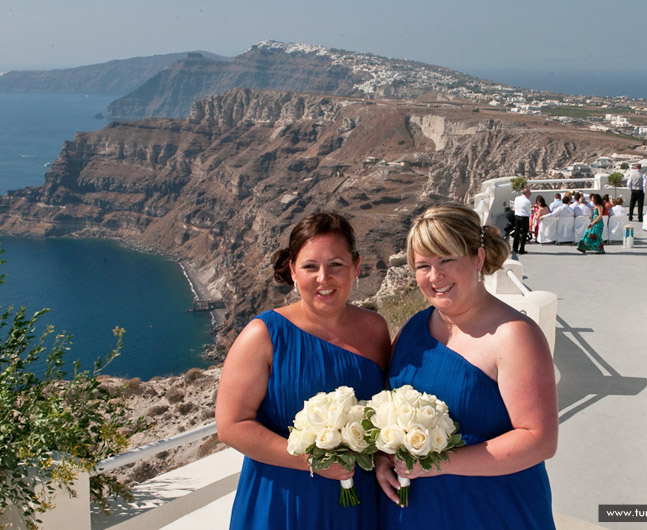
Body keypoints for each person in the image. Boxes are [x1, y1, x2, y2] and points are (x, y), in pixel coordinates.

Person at [376, 204, 558, 530]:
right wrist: (382, 456)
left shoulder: (514, 336)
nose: (435, 276)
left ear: (478, 257)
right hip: (415, 510)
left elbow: (539, 439)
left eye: (446, 260)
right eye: (423, 266)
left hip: (490, 509)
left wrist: (438, 463)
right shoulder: (412, 329)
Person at [216, 212, 391, 530]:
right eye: (310, 266)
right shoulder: (263, 334)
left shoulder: (376, 329)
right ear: (293, 271)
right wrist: (312, 462)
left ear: (356, 266)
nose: (324, 278)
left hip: (358, 499)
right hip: (284, 501)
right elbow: (232, 425)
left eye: (336, 264)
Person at [512, 188, 532, 254]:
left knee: (517, 232)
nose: (530, 194)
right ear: (526, 193)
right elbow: (529, 212)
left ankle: (515, 248)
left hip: (517, 216)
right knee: (524, 233)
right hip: (524, 217)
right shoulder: (527, 201)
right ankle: (522, 249)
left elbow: (514, 206)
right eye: (529, 193)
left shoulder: (517, 198)